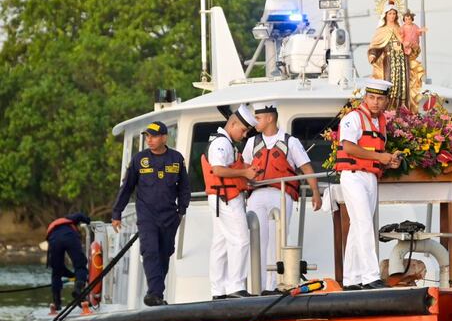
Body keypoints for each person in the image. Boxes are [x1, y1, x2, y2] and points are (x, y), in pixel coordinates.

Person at [243, 102, 323, 293]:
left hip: (281, 194)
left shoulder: (290, 142)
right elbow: (244, 168)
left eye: (259, 118)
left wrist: (316, 193)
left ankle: (274, 285)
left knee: (278, 240)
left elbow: (306, 168)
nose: (255, 121)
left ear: (270, 118)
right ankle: (257, 287)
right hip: (256, 195)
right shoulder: (251, 143)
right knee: (256, 240)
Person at [112, 121, 190, 306]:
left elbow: (184, 187)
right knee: (150, 251)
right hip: (147, 215)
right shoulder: (139, 159)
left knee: (164, 254)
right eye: (147, 136)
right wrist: (117, 213)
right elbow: (127, 187)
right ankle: (154, 293)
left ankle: (157, 294)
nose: (149, 140)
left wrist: (182, 210)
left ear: (164, 137)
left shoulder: (176, 158)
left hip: (170, 216)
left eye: (153, 136)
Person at [335, 79, 402, 290]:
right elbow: (348, 147)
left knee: (358, 227)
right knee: (364, 224)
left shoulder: (379, 122)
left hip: (370, 177)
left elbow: (374, 154)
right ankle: (371, 277)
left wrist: (388, 160)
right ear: (365, 98)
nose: (375, 102)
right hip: (353, 175)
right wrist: (381, 157)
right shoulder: (353, 118)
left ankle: (351, 279)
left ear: (386, 101)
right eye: (372, 97)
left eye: (380, 98)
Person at [202, 104, 258, 300]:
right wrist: (245, 172)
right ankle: (236, 286)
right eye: (243, 130)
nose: (243, 136)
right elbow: (217, 169)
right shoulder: (222, 144)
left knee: (221, 244)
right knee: (240, 240)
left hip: (221, 197)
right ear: (233, 123)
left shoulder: (224, 142)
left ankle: (218, 291)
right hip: (226, 198)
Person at [368, 5, 410, 110]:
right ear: (385, 15)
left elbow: (408, 42)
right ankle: (388, 109)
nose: (392, 16)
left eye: (394, 13)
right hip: (389, 62)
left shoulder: (401, 29)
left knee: (402, 87)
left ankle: (400, 110)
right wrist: (373, 54)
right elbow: (376, 46)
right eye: (390, 13)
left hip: (401, 63)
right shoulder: (381, 30)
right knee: (389, 85)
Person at [46, 212, 91, 309]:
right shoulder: (69, 219)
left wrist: (73, 276)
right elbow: (80, 215)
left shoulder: (53, 228)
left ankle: (57, 302)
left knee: (56, 272)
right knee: (80, 265)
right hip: (69, 236)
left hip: (53, 240)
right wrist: (88, 221)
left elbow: (61, 270)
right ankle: (78, 291)